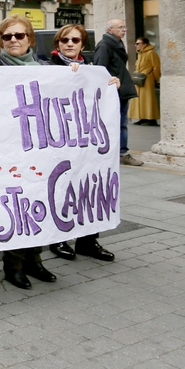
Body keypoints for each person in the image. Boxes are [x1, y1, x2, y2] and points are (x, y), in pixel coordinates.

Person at [0, 16, 57, 290]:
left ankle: (34, 259)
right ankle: (13, 265)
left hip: (39, 150)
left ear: (30, 39)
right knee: (17, 207)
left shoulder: (46, 69)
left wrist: (98, 81)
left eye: (19, 35)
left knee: (40, 202)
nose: (13, 40)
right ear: (0, 41)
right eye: (7, 37)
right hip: (7, 153)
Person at [48, 24, 121, 263]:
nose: (70, 44)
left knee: (90, 188)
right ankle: (57, 238)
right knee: (60, 190)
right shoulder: (46, 68)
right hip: (56, 143)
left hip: (87, 143)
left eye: (75, 40)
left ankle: (88, 241)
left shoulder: (93, 70)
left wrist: (111, 86)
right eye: (65, 40)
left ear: (82, 44)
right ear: (57, 43)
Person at [93, 19, 144, 166]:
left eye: (124, 26)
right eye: (120, 27)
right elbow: (100, 69)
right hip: (114, 90)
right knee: (119, 123)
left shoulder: (116, 43)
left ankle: (119, 152)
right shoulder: (105, 46)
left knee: (121, 122)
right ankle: (121, 153)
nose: (124, 30)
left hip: (120, 89)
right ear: (110, 30)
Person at [129, 36, 161, 126]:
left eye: (138, 43)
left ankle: (150, 118)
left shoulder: (151, 53)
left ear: (145, 44)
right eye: (136, 43)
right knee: (139, 99)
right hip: (139, 79)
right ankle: (142, 117)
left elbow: (156, 67)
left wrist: (155, 78)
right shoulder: (140, 54)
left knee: (148, 99)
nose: (136, 45)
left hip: (147, 79)